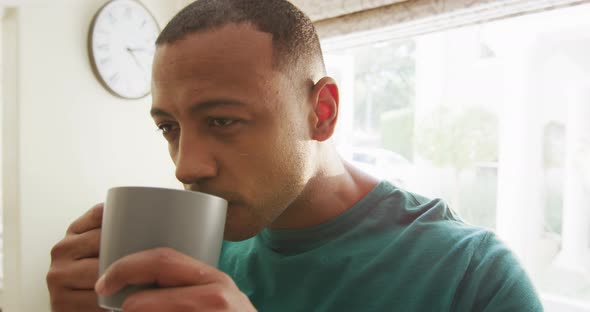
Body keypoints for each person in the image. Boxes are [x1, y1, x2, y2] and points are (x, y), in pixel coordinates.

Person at [46, 0, 544, 311]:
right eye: (168, 127)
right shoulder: (186, 251)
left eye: (222, 120)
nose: (185, 166)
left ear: (321, 111)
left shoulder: (471, 276)